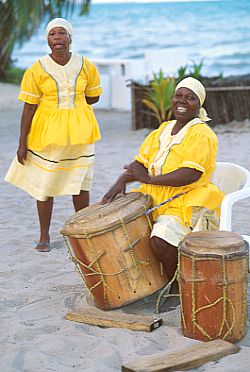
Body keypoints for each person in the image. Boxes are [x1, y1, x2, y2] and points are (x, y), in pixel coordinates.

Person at [102, 77, 224, 287]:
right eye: (179, 95)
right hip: (155, 197)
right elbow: (139, 163)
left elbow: (190, 174)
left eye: (190, 98)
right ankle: (154, 278)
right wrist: (123, 179)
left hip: (187, 201)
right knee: (128, 235)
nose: (182, 101)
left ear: (199, 103)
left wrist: (150, 179)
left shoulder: (202, 134)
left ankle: (175, 284)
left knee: (160, 240)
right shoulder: (163, 130)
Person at [5, 18, 102, 252]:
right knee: (45, 184)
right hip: (47, 133)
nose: (57, 38)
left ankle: (81, 231)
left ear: (70, 38)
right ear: (47, 40)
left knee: (80, 183)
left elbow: (93, 96)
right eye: (52, 34)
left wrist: (74, 104)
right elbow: (29, 107)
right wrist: (22, 143)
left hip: (80, 132)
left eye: (62, 33)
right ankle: (44, 236)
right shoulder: (37, 69)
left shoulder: (85, 65)